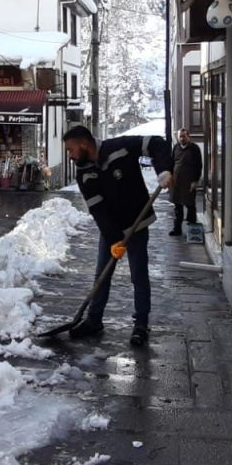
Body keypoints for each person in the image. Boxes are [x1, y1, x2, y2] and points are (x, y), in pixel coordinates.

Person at [62, 125, 173, 347]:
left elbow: (156, 143)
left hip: (136, 224)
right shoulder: (84, 172)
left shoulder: (120, 148)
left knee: (138, 275)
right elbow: (98, 210)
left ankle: (141, 324)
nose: (70, 155)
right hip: (111, 227)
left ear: (84, 144)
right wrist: (114, 239)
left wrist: (163, 169)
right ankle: (94, 320)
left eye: (71, 149)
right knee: (102, 274)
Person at [169, 127, 203, 236]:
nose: (182, 138)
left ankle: (192, 232)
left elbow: (199, 165)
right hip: (176, 182)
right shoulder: (175, 148)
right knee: (177, 206)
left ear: (188, 136)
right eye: (180, 136)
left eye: (184, 136)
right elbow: (172, 163)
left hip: (189, 182)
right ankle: (177, 229)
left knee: (190, 205)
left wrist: (195, 181)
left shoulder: (194, 148)